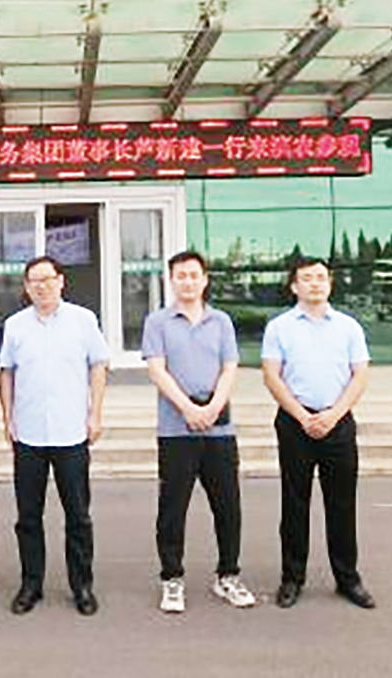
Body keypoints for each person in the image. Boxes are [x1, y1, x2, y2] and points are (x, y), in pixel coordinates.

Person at [141, 250, 256, 613]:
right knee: (172, 508)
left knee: (228, 506)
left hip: (219, 430)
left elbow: (230, 368)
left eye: (194, 275)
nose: (188, 281)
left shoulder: (221, 321)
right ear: (171, 280)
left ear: (205, 280)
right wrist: (188, 409)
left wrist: (212, 408)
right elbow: (157, 370)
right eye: (181, 275)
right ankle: (172, 578)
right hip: (175, 431)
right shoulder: (157, 322)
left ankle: (228, 575)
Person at [260, 256, 375, 610]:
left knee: (342, 503)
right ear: (294, 286)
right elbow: (271, 376)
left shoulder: (349, 327)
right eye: (307, 278)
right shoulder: (279, 327)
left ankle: (348, 578)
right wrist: (303, 417)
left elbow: (360, 375)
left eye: (321, 277)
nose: (315, 283)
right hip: (295, 423)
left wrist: (332, 416)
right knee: (294, 503)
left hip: (337, 422)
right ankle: (292, 578)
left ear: (330, 284)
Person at [0, 255, 109, 616]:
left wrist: (95, 413)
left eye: (48, 279)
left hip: (71, 432)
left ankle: (82, 586)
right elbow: (6, 373)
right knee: (28, 516)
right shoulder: (15, 325)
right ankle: (31, 584)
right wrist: (7, 417)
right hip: (28, 434)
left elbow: (98, 365)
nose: (42, 286)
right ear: (26, 287)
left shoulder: (83, 320)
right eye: (35, 281)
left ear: (61, 281)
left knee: (78, 515)